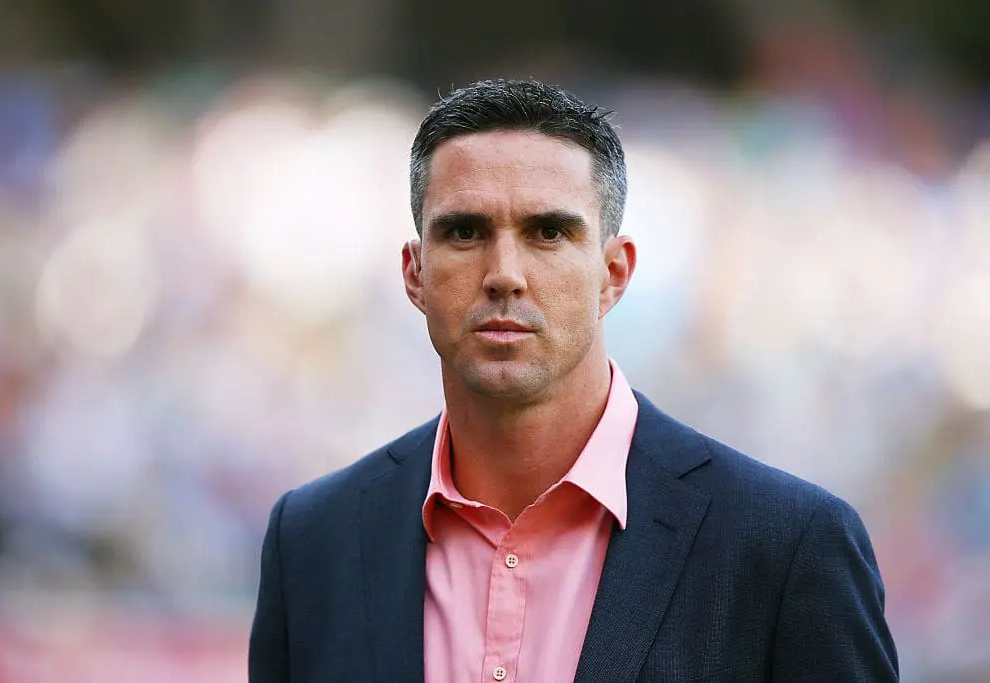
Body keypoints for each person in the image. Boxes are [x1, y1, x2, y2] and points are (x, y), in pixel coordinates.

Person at [248, 78, 899, 682]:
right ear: (415, 274)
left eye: (548, 232)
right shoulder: (313, 541)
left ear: (613, 273)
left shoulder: (786, 544)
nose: (504, 273)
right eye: (466, 231)